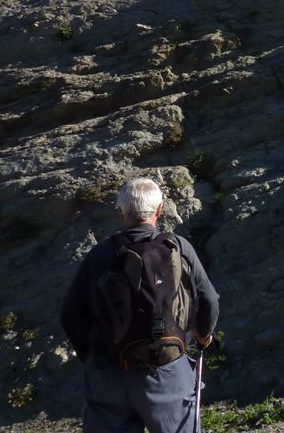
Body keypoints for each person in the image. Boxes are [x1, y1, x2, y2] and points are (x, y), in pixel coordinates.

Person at [61, 176, 219, 433]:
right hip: (167, 369)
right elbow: (209, 299)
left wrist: (92, 356)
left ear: (121, 212)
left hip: (108, 374)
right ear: (159, 210)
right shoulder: (179, 247)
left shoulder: (100, 254)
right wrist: (203, 334)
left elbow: (70, 315)